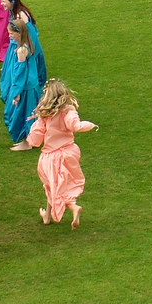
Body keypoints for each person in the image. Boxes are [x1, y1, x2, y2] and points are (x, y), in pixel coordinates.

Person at [27, 79, 98, 229]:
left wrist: (31, 137)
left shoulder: (45, 115)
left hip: (50, 156)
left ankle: (72, 206)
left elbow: (36, 138)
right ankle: (48, 214)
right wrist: (90, 125)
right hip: (68, 153)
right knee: (56, 184)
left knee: (51, 184)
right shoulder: (68, 111)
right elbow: (75, 125)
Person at [0, 17, 44, 151]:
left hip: (25, 87)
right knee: (28, 112)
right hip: (31, 84)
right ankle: (28, 140)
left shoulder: (21, 51)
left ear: (19, 33)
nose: (9, 36)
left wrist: (17, 92)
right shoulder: (28, 45)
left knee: (23, 114)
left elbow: (20, 72)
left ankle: (27, 142)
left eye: (11, 33)